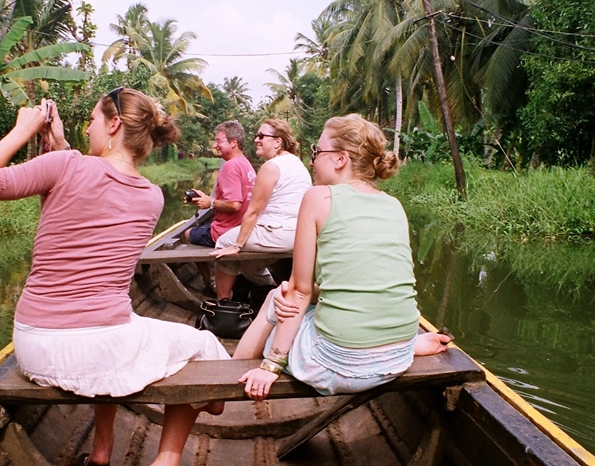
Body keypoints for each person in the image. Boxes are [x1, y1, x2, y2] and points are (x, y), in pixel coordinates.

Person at [0, 88, 230, 466]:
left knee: (124, 327)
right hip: (98, 346)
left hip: (34, 346)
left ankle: (101, 451)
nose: (87, 130)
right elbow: (95, 179)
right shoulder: (152, 197)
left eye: (92, 120)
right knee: (201, 347)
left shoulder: (67, 166)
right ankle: (166, 460)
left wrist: (24, 129)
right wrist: (61, 145)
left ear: (114, 124)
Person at [231, 114, 452, 401]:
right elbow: (365, 279)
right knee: (291, 294)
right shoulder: (394, 205)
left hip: (339, 364)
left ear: (340, 159)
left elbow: (299, 291)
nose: (312, 161)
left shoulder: (318, 197)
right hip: (398, 356)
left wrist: (272, 365)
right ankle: (408, 345)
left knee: (278, 297)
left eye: (317, 152)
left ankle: (223, 385)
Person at [210, 118, 311, 301]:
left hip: (277, 233)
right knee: (250, 265)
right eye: (257, 135)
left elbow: (253, 211)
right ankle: (271, 293)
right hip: (297, 234)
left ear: (278, 141)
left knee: (224, 243)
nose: (256, 139)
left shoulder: (271, 167)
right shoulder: (296, 163)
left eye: (262, 136)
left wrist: (237, 245)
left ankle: (222, 301)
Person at [182, 121, 256, 290]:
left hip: (225, 232)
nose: (215, 145)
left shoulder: (230, 166)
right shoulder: (246, 163)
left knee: (187, 234)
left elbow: (235, 204)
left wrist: (211, 203)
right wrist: (209, 200)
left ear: (233, 142)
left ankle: (209, 282)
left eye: (219, 141)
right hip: (243, 228)